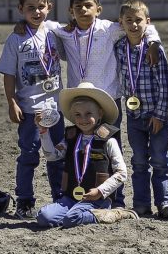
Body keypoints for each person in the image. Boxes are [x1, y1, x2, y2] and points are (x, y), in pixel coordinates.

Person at [15, 0, 161, 208]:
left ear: (98, 9)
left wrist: (153, 42)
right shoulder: (62, 31)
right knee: (80, 150)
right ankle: (78, 193)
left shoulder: (110, 29)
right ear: (71, 11)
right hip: (80, 103)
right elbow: (39, 22)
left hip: (108, 101)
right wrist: (22, 25)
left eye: (88, 6)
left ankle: (116, 200)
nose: (83, 10)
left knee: (111, 149)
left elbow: (140, 24)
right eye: (78, 7)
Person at [0, 0, 64, 219]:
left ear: (50, 7)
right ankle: (24, 202)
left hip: (56, 108)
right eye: (30, 8)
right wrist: (11, 101)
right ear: (21, 9)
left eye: (41, 7)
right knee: (29, 156)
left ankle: (60, 199)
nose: (36, 12)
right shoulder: (16, 39)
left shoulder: (56, 31)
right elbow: (9, 74)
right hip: (29, 110)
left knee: (57, 155)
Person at [35, 82, 138, 227]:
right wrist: (43, 132)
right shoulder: (70, 137)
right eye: (78, 114)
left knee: (72, 218)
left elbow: (122, 173)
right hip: (71, 198)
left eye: (88, 114)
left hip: (97, 199)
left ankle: (114, 213)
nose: (83, 119)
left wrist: (100, 191)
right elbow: (52, 156)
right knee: (43, 216)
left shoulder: (109, 141)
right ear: (72, 115)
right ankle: (74, 215)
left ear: (100, 113)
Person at [115, 0, 168, 219]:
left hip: (155, 116)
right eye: (129, 20)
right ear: (120, 22)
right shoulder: (118, 48)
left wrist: (160, 114)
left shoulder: (154, 50)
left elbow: (165, 83)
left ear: (147, 22)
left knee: (160, 161)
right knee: (139, 161)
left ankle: (164, 203)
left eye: (138, 20)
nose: (133, 25)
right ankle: (141, 204)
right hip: (134, 117)